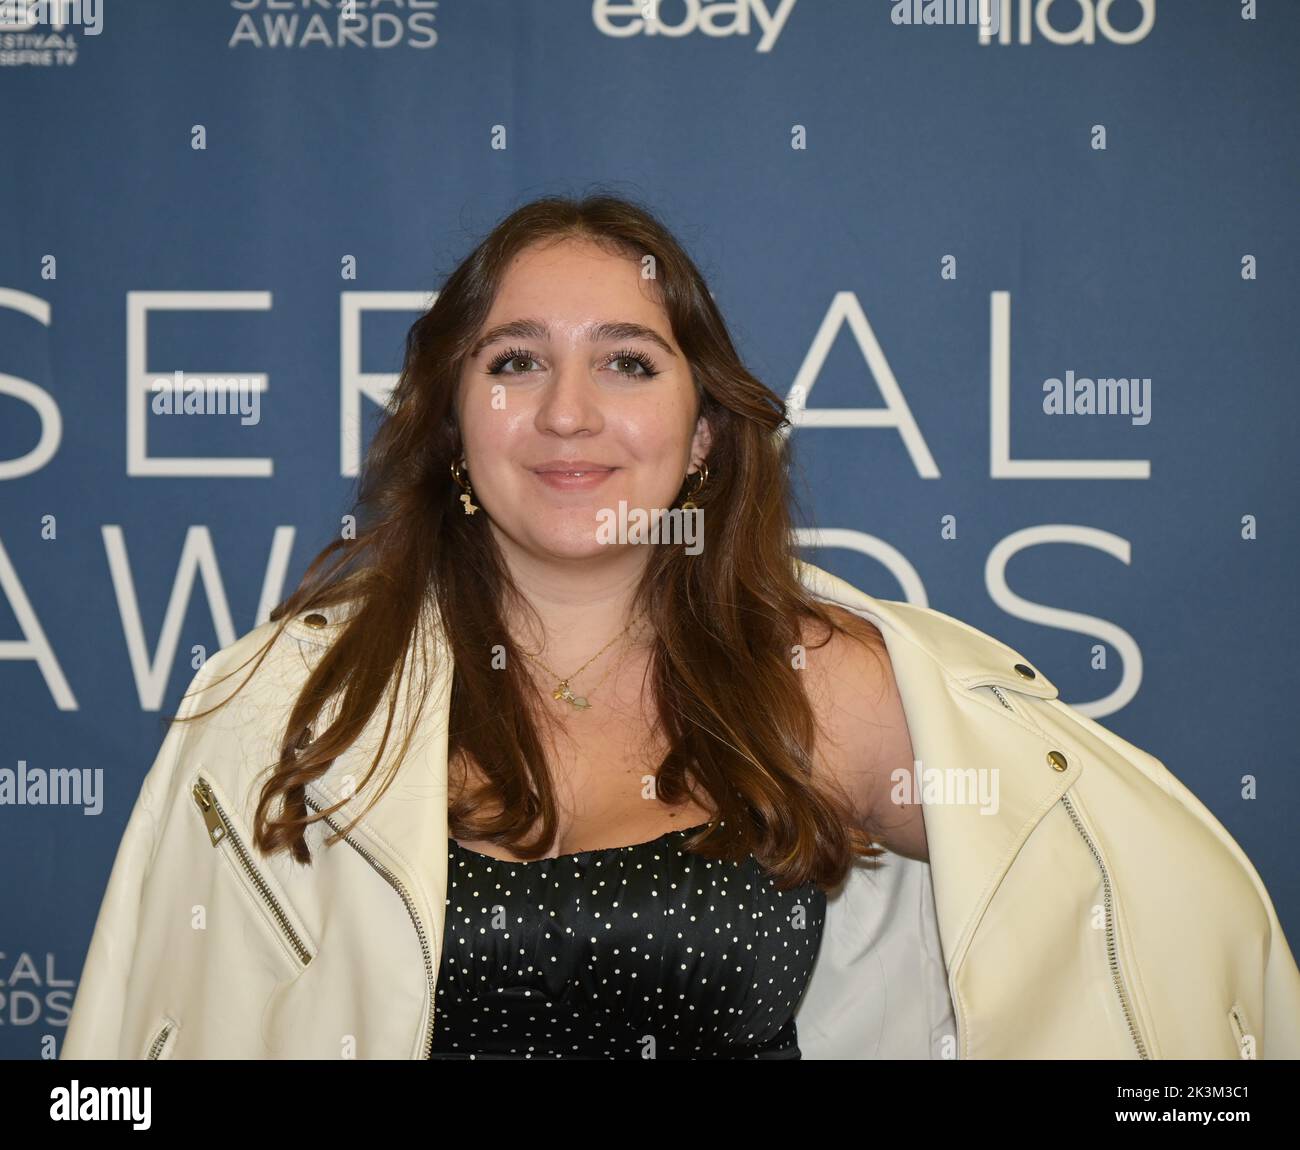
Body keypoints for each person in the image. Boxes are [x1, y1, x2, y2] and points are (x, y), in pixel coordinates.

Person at [61, 194, 1300, 1060]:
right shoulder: (294, 705)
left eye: (629, 363)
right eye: (513, 363)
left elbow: (1165, 921)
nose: (567, 415)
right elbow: (130, 1047)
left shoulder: (827, 689)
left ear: (704, 435)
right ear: (449, 427)